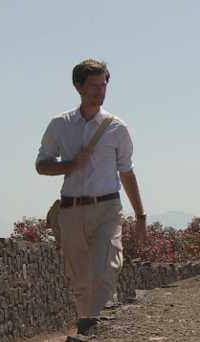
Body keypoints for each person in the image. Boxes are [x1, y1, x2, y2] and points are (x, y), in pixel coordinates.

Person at [35, 59, 146, 327]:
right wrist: (71, 165)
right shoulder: (60, 124)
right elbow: (41, 165)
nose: (100, 91)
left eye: (103, 85)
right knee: (80, 282)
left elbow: (127, 172)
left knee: (106, 272)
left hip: (107, 209)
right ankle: (87, 334)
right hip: (71, 211)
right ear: (78, 86)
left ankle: (98, 333)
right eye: (94, 86)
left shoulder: (117, 127)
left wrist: (140, 216)